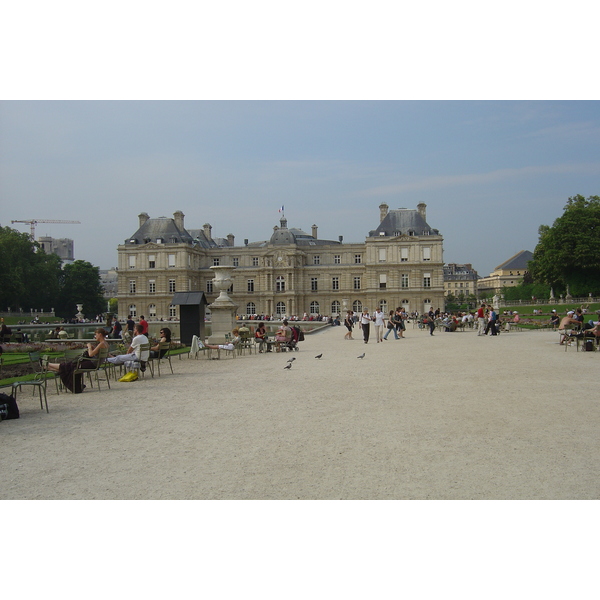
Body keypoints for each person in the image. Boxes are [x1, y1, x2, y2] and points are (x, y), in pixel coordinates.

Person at [47, 328, 109, 393]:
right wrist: (93, 349)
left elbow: (90, 354)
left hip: (92, 364)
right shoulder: (105, 343)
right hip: (95, 363)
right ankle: (50, 367)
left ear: (100, 334)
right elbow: (96, 354)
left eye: (96, 334)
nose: (95, 336)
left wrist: (89, 347)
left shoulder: (101, 344)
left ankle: (49, 365)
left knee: (72, 365)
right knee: (71, 365)